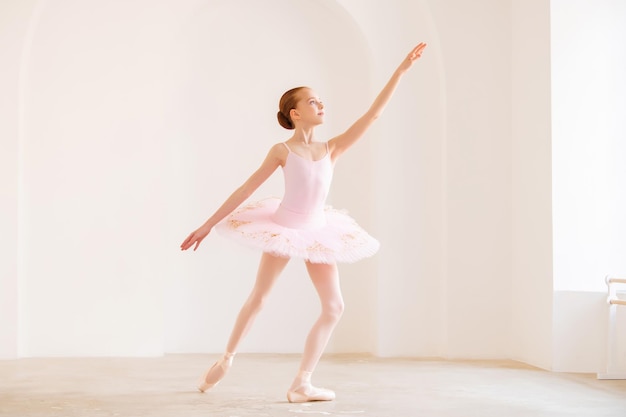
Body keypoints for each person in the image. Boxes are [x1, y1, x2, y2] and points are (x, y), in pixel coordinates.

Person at [180, 42, 427, 403]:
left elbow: (372, 116)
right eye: (312, 101)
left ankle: (302, 383)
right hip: (283, 228)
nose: (320, 104)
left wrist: (402, 70)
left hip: (317, 232)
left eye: (320, 100)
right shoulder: (282, 151)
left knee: (334, 307)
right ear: (294, 114)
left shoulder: (333, 149)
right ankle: (227, 358)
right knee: (260, 298)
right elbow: (245, 188)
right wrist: (206, 225)